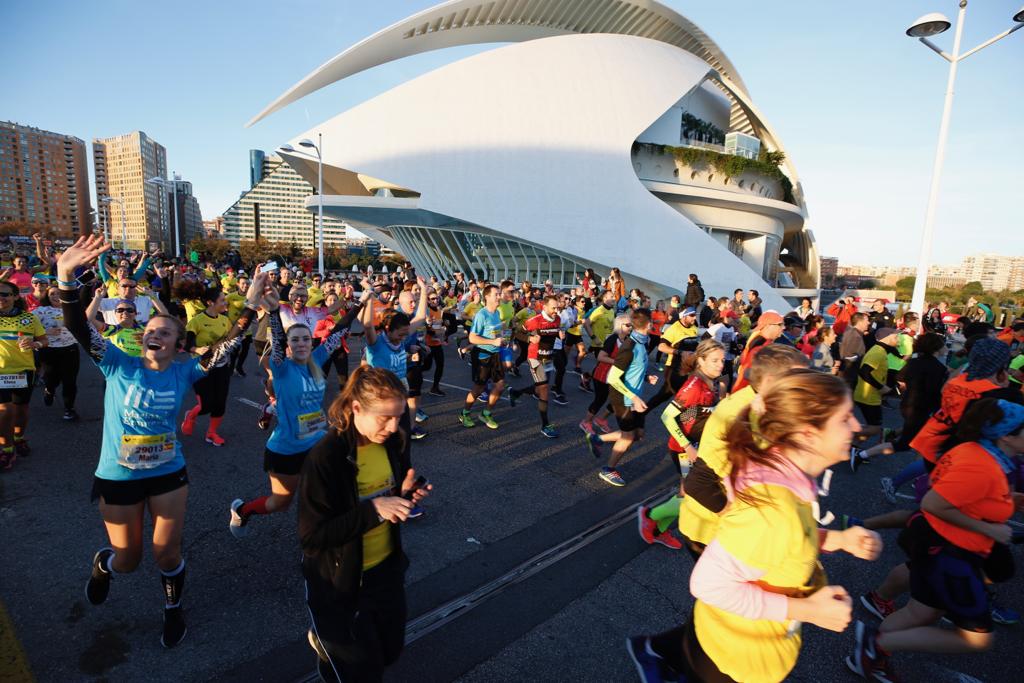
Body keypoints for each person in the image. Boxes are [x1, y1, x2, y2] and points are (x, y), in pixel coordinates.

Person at [57, 235, 262, 647]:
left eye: (166, 332)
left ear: (177, 344)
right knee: (129, 560)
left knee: (167, 553)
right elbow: (78, 326)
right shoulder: (116, 361)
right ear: (143, 336)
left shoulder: (185, 371)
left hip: (168, 472)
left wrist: (252, 303)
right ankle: (105, 565)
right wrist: (65, 278)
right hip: (118, 474)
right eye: (152, 329)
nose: (157, 334)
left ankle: (172, 609)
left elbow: (229, 346)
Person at [628, 371, 881, 683]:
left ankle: (656, 653)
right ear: (807, 436)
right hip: (732, 659)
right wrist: (809, 610)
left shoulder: (786, 477)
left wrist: (838, 539)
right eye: (845, 418)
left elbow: (788, 540)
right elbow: (709, 585)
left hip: (733, 646)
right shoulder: (772, 509)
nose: (856, 426)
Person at [848, 399, 1023, 681]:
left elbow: (961, 497)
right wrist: (990, 530)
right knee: (977, 639)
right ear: (1006, 435)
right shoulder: (981, 464)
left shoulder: (981, 454)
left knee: (922, 613)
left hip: (939, 547)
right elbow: (933, 503)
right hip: (952, 555)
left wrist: (1005, 501)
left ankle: (869, 656)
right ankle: (877, 643)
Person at [299, 366, 432, 683]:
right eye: (384, 417)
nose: (393, 426)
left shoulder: (393, 441)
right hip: (340, 582)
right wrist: (374, 509)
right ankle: (327, 648)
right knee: (362, 673)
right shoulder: (326, 457)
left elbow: (389, 497)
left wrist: (405, 495)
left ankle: (329, 645)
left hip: (386, 569)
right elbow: (312, 538)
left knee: (390, 652)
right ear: (356, 408)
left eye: (398, 416)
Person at [229, 283, 371, 537]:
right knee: (280, 503)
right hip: (286, 448)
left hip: (317, 442)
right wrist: (274, 313)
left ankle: (322, 540)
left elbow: (339, 330)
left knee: (329, 491)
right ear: (288, 346)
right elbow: (279, 335)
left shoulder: (317, 358)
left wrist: (362, 301)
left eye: (306, 338)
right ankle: (243, 510)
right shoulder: (281, 366)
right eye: (296, 340)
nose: (302, 343)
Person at [677, 344, 810, 558]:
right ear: (768, 382)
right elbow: (697, 483)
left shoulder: (761, 404)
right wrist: (738, 520)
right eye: (797, 380)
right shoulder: (740, 415)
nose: (804, 386)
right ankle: (653, 519)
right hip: (711, 531)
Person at [637, 339, 725, 549]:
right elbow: (667, 416)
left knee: (686, 493)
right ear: (701, 361)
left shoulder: (710, 382)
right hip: (684, 450)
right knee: (692, 496)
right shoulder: (694, 386)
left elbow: (693, 414)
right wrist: (688, 446)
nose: (720, 364)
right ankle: (651, 515)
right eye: (714, 360)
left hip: (697, 445)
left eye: (722, 360)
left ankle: (658, 529)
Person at [584, 308, 659, 487]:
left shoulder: (641, 343)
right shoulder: (630, 347)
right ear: (647, 324)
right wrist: (633, 397)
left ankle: (597, 439)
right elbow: (612, 378)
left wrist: (647, 376)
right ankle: (608, 470)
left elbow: (633, 369)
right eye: (653, 323)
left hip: (634, 397)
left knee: (638, 435)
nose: (654, 326)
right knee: (627, 436)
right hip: (623, 398)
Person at [879, 332, 949, 503]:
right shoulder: (937, 368)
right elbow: (935, 392)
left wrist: (907, 388)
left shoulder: (914, 361)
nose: (946, 347)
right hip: (923, 408)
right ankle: (863, 455)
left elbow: (899, 378)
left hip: (909, 405)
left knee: (922, 446)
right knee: (907, 445)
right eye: (943, 344)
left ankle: (916, 480)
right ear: (936, 348)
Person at [0, 279, 48, 469]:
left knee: (21, 410)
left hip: (23, 371)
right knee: (5, 411)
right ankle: (7, 449)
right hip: (1, 372)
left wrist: (35, 344)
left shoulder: (28, 318)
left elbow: (44, 340)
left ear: (14, 296)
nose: (1, 298)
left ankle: (19, 438)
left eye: (5, 294)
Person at [180, 285, 236, 446]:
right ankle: (191, 415)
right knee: (205, 405)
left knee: (220, 403)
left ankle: (211, 433)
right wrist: (197, 349)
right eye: (222, 300)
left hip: (222, 367)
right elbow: (185, 344)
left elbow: (229, 341)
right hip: (201, 368)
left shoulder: (225, 320)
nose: (225, 303)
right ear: (211, 302)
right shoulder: (197, 321)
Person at [508, 295, 563, 438]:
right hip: (535, 358)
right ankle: (545, 425)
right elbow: (518, 332)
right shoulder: (535, 321)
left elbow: (553, 332)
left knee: (540, 388)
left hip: (548, 357)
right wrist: (529, 338)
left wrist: (560, 334)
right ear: (544, 307)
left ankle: (516, 392)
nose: (556, 310)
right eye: (553, 308)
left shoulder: (557, 319)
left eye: (557, 307)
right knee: (544, 389)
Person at [849, 328, 901, 471]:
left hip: (869, 395)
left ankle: (853, 449)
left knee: (871, 427)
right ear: (888, 337)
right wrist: (881, 387)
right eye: (896, 337)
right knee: (875, 428)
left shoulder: (881, 350)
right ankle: (847, 439)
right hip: (868, 396)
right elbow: (864, 372)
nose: (898, 340)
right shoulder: (877, 352)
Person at [459, 284, 507, 430]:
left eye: (499, 294)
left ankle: (486, 413)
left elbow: (495, 334)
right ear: (487, 297)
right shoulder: (481, 314)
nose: (499, 296)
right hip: (482, 355)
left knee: (500, 385)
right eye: (496, 294)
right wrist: (493, 341)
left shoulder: (497, 313)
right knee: (479, 388)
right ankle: (465, 413)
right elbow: (473, 338)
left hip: (495, 354)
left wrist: (502, 339)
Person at [34, 284, 81, 420]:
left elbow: (84, 324)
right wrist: (45, 331)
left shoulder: (72, 309)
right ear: (47, 297)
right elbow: (27, 327)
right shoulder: (41, 311)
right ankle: (49, 389)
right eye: (52, 294)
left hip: (70, 348)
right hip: (49, 349)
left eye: (59, 293)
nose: (56, 296)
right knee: (51, 378)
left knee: (70, 381)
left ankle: (69, 409)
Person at [732, 310, 785, 392]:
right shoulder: (760, 345)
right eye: (780, 324)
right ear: (768, 326)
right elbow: (748, 371)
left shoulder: (761, 339)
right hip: (748, 393)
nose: (783, 327)